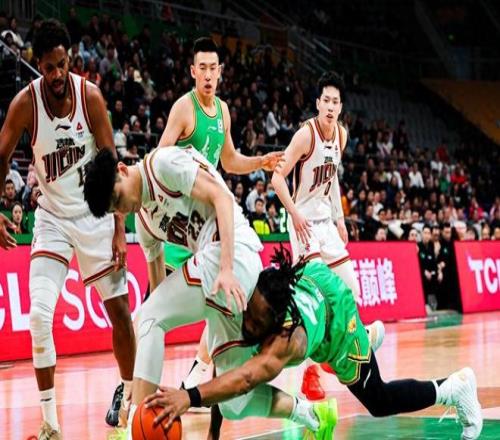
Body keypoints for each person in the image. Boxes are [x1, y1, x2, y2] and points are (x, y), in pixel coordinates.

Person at [144, 247, 482, 440]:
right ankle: (371, 338)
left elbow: (244, 379)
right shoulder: (256, 298)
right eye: (248, 316)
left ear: (275, 324)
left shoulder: (287, 343)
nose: (247, 326)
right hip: (311, 280)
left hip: (336, 321)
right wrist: (213, 434)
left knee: (378, 400)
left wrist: (189, 396)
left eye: (257, 324)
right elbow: (227, 358)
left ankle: (453, 388)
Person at [128, 36, 283, 411]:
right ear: (193, 71)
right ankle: (132, 391)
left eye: (214, 68)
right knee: (151, 312)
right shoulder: (185, 108)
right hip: (179, 225)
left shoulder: (223, 112)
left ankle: (198, 373)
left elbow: (229, 160)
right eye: (203, 68)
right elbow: (160, 158)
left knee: (204, 306)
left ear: (221, 72)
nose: (209, 75)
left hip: (207, 228)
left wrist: (258, 163)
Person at [0, 20, 135, 439]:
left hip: (95, 214)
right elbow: (0, 155)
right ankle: (50, 425)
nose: (57, 74)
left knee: (121, 314)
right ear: (37, 65)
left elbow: (112, 163)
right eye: (49, 67)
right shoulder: (25, 104)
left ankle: (128, 403)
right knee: (39, 317)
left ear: (70, 58)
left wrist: (119, 228)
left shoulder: (89, 97)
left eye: (62, 64)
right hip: (53, 218)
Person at [82, 146, 264, 438]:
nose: (121, 209)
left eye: (117, 198)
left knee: (150, 315)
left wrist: (227, 267)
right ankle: (310, 413)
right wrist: (145, 368)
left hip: (231, 256)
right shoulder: (145, 224)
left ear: (122, 170)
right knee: (235, 402)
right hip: (221, 277)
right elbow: (158, 295)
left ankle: (136, 426)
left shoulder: (163, 164)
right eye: (114, 210)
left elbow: (221, 197)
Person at [271, 71, 381, 400]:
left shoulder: (341, 136)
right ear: (318, 103)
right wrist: (294, 213)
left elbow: (332, 179)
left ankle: (337, 355)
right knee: (318, 296)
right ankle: (311, 373)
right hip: (303, 223)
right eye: (326, 101)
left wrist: (340, 218)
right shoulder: (305, 135)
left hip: (325, 223)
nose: (331, 107)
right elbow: (277, 178)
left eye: (336, 102)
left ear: (341, 106)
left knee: (351, 288)